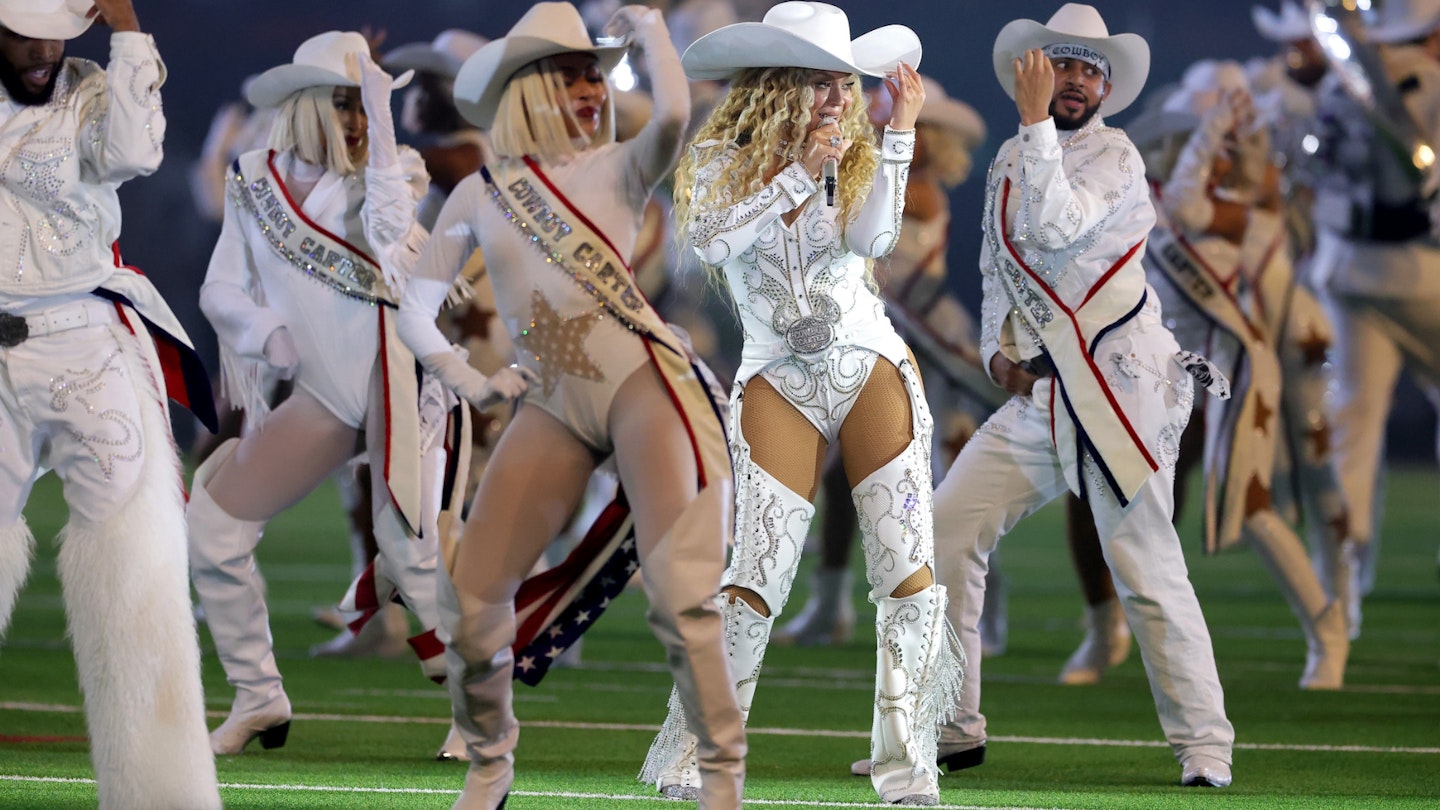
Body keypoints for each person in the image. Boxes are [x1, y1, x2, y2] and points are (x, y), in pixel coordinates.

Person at [397, 4, 745, 807]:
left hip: (642, 383)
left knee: (681, 597)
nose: (593, 87)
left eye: (597, 71)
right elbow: (415, 309)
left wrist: (653, 26)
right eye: (574, 73)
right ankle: (489, 767)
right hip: (549, 404)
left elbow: (675, 111)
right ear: (526, 88)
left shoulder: (623, 165)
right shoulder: (479, 194)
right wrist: (470, 378)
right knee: (472, 606)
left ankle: (722, 783)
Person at [638, 3, 963, 805]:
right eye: (815, 82)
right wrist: (791, 172)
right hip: (776, 373)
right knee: (754, 577)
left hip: (869, 363)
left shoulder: (855, 153)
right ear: (774, 84)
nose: (832, 97)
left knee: (907, 573)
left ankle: (906, 764)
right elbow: (711, 241)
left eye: (840, 83)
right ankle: (699, 754)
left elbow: (873, 242)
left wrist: (896, 139)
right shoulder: (720, 154)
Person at [930, 3, 1236, 788]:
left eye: (1089, 69)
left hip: (1118, 390)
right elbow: (997, 263)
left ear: (1106, 86)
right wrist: (1001, 353)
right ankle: (952, 727)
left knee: (1144, 565)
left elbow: (1058, 224)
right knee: (944, 533)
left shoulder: (1119, 158)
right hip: (1045, 396)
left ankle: (1205, 746)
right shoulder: (1006, 156)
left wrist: (1034, 125)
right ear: (1037, 70)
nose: (1075, 79)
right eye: (1062, 64)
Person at [189, 30, 482, 756]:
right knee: (213, 531)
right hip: (323, 394)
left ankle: (477, 715)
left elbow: (389, 237)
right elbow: (220, 285)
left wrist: (383, 123)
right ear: (305, 104)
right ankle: (258, 697)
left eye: (367, 105)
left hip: (400, 385)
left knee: (412, 556)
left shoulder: (398, 170)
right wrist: (262, 333)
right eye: (347, 104)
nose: (357, 120)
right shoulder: (252, 176)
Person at [0, 0, 221, 806]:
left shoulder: (95, 91)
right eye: (26, 31)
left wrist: (129, 30)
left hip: (85, 344)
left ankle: (163, 798)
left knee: (139, 583)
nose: (45, 50)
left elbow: (136, 153)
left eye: (57, 31)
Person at [776, 75, 1004, 654]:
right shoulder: (874, 175)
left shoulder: (919, 189)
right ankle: (829, 605)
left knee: (933, 485)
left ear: (933, 140)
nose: (888, 136)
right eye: (880, 127)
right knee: (836, 478)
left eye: (904, 128)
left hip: (923, 343)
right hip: (869, 339)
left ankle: (981, 604)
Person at [1141, 60, 1349, 689]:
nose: (1223, 153)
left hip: (1239, 374)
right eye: (1211, 139)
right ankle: (1131, 639)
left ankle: (1328, 624)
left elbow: (1185, 204)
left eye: (1229, 141)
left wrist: (1213, 136)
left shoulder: (1236, 214)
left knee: (1254, 505)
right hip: (1172, 380)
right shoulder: (1140, 200)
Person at [1308, 0, 1440, 638]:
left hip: (1349, 270)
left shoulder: (1340, 78)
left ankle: (1340, 590)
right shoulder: (1430, 81)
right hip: (1425, 273)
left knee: (1351, 430)